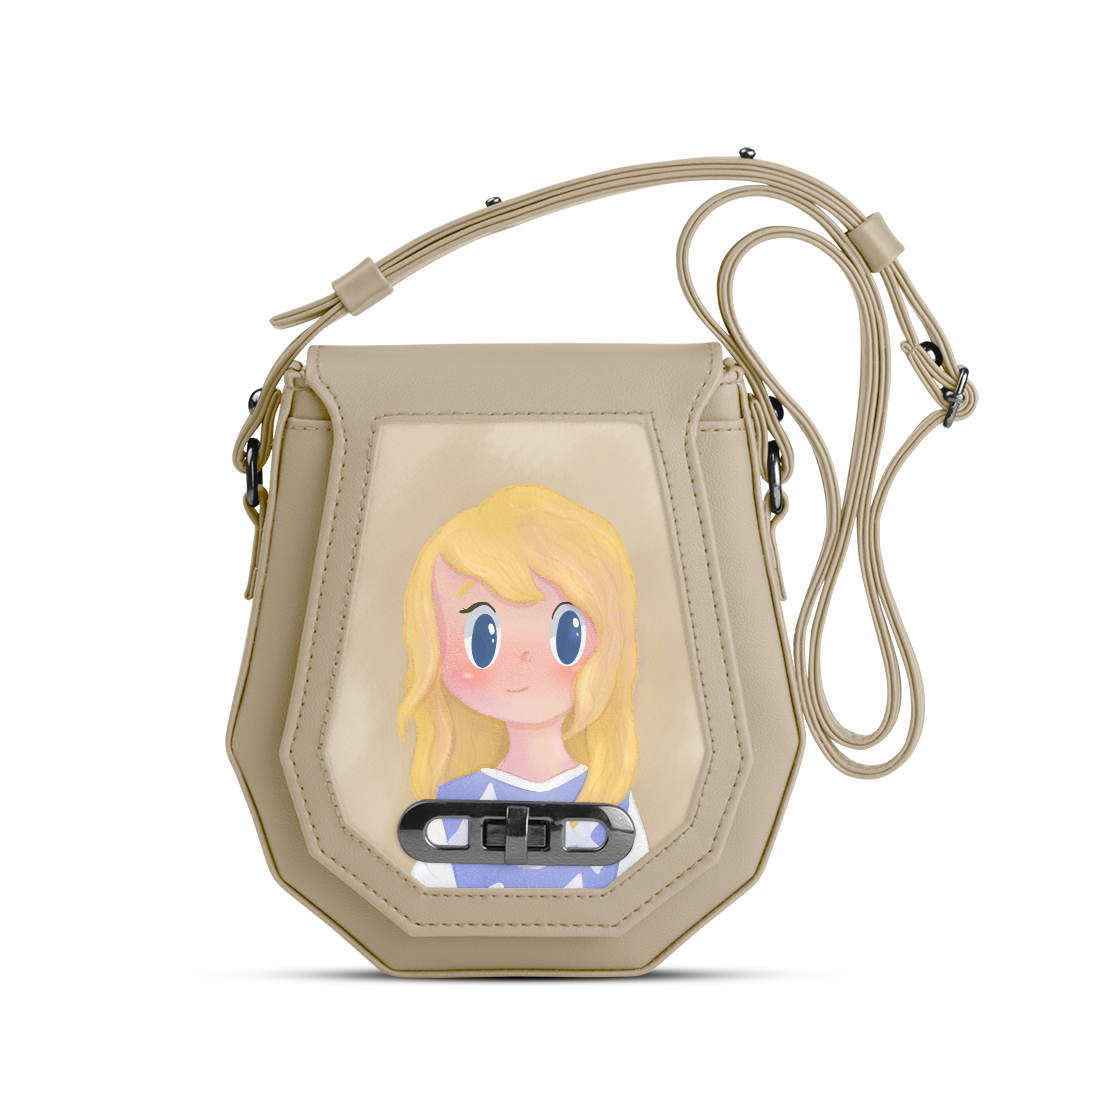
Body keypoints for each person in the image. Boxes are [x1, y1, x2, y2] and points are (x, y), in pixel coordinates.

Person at [396, 484, 648, 888]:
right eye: (484, 636)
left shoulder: (610, 801)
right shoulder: (452, 807)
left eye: (565, 631)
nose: (523, 656)